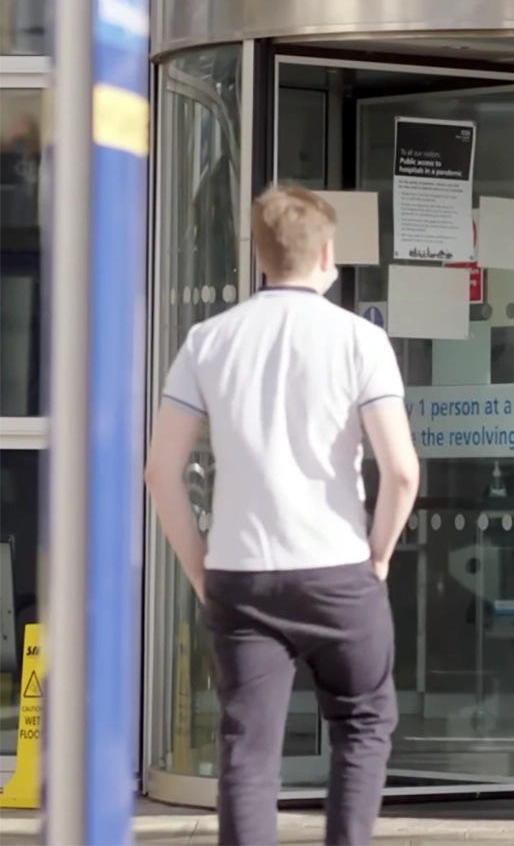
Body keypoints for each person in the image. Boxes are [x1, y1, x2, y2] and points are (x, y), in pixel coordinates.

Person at [144, 186, 422, 846]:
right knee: (362, 722)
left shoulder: (208, 341)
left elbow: (160, 473)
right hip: (337, 569)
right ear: (327, 253)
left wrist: (204, 573)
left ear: (259, 255)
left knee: (247, 745)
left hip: (242, 573)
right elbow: (403, 470)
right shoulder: (362, 340)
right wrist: (377, 557)